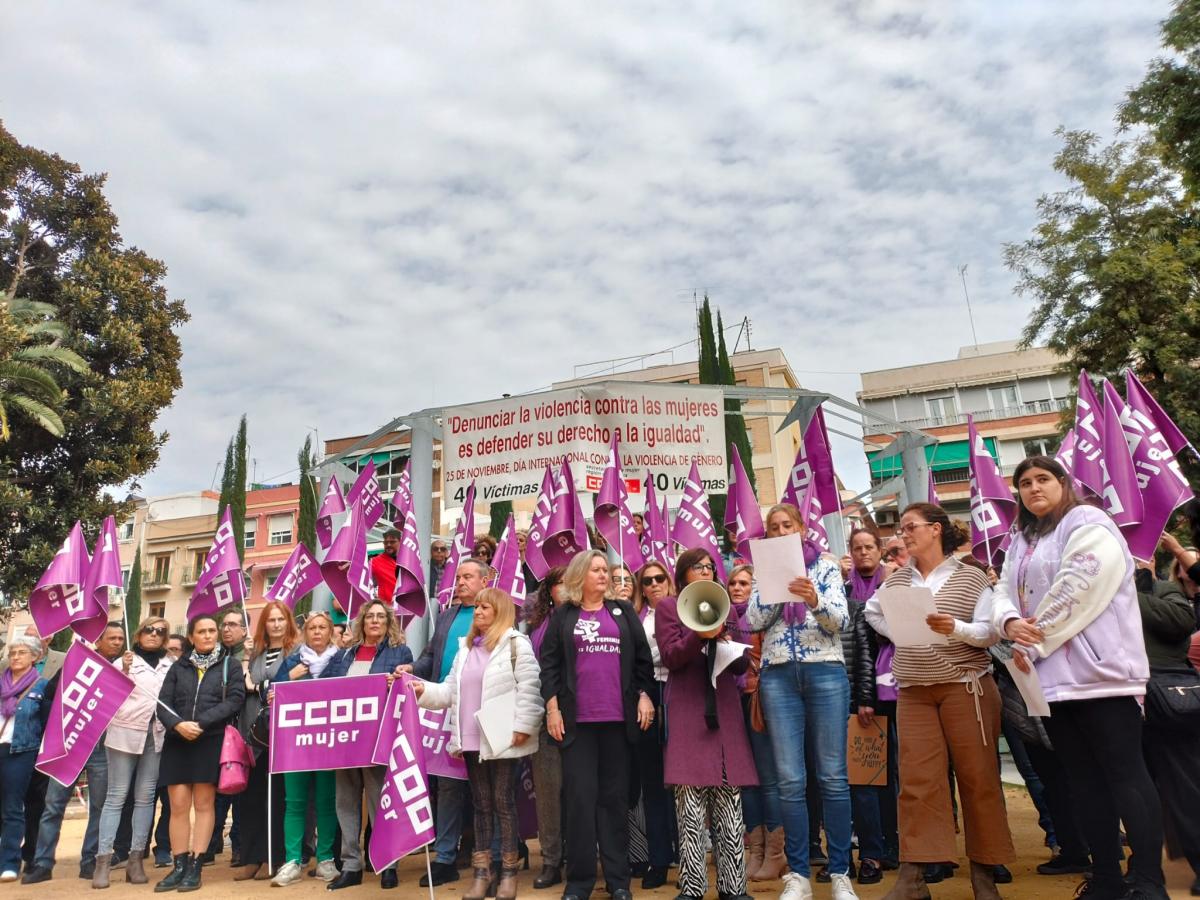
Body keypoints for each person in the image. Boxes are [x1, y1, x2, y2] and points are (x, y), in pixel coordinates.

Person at [992, 456, 1166, 900]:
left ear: (1063, 483)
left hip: (1103, 674)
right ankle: (1106, 878)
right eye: (1024, 483)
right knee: (1082, 781)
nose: (1033, 488)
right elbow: (1001, 591)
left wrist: (1033, 635)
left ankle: (1148, 881)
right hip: (1051, 681)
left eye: (1043, 479)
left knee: (1126, 776)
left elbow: (1081, 582)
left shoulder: (1088, 521)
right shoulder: (1019, 541)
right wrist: (1010, 621)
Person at [862, 503, 1012, 900]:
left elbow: (990, 632)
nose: (904, 533)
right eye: (902, 528)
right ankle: (913, 876)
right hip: (913, 690)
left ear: (936, 530)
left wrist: (955, 628)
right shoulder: (895, 582)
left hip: (966, 685)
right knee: (916, 782)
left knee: (978, 779)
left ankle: (983, 873)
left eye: (911, 527)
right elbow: (871, 612)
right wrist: (899, 633)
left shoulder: (971, 576)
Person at [743, 503, 857, 900]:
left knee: (832, 777)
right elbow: (752, 621)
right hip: (777, 676)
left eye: (786, 524)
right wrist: (776, 592)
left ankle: (840, 871)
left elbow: (841, 622)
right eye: (773, 527)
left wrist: (813, 600)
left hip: (824, 670)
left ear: (801, 528)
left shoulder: (825, 566)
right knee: (790, 780)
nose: (779, 530)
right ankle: (798, 875)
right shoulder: (762, 571)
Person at [540, 549, 655, 900]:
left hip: (618, 723)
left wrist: (646, 695)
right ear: (580, 576)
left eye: (606, 570)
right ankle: (579, 883)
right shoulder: (563, 616)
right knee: (579, 801)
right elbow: (550, 667)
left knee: (614, 802)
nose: (605, 575)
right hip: (578, 725)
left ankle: (619, 882)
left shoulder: (623, 613)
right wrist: (552, 707)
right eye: (597, 570)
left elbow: (642, 662)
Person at [415, 588, 542, 900]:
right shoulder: (466, 649)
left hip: (502, 735)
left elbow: (530, 688)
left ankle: (508, 873)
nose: (479, 612)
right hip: (470, 736)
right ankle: (482, 874)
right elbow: (448, 692)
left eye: (485, 607)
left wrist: (523, 727)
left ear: (499, 611)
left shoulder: (516, 644)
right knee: (481, 805)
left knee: (503, 802)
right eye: (478, 607)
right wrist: (422, 691)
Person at [657, 549, 756, 900]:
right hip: (687, 707)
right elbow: (671, 657)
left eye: (711, 567)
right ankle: (693, 886)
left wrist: (729, 643)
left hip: (723, 707)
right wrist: (700, 635)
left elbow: (743, 667)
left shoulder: (724, 604)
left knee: (729, 802)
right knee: (690, 806)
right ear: (683, 572)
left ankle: (734, 887)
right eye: (699, 566)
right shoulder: (669, 608)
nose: (706, 571)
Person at [321, 599, 414, 891]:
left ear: (388, 622)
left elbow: (409, 686)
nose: (374, 621)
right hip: (345, 742)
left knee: (380, 803)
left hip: (378, 741)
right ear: (361, 622)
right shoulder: (344, 654)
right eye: (369, 617)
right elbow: (322, 686)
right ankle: (351, 866)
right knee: (345, 803)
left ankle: (388, 863)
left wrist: (398, 680)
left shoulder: (400, 652)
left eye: (380, 617)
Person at [28, 622, 126, 883]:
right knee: (53, 806)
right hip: (69, 743)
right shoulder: (80, 662)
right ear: (99, 641)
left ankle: (89, 861)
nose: (117, 642)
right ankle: (42, 863)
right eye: (112, 638)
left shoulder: (124, 669)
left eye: (120, 638)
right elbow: (51, 693)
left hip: (103, 746)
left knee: (98, 807)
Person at [154, 614, 246, 892]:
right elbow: (162, 704)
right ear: (191, 637)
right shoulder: (178, 667)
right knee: (178, 806)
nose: (207, 635)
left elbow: (235, 699)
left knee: (205, 805)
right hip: (177, 740)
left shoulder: (230, 664)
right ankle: (178, 866)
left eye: (211, 631)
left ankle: (196, 866)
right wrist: (178, 725)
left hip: (210, 739)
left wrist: (202, 723)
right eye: (201, 631)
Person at [413, 558, 490, 887]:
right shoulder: (446, 617)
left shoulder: (494, 614)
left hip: (484, 712)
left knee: (487, 788)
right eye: (458, 577)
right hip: (443, 709)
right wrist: (411, 670)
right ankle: (445, 857)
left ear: (485, 581)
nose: (459, 582)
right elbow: (431, 656)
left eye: (468, 577)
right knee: (447, 787)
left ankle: (493, 856)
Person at [91, 617, 173, 889]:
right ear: (138, 635)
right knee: (116, 796)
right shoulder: (123, 661)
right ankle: (102, 861)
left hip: (156, 734)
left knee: (146, 797)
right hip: (124, 733)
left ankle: (136, 859)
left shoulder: (169, 664)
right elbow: (106, 693)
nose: (154, 634)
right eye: (149, 630)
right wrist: (123, 671)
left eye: (160, 632)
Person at [1136, 553, 1200, 896]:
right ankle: (1145, 873)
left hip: (1169, 702)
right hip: (1123, 703)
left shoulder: (1163, 590)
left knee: (1186, 789)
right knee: (1139, 793)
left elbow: (1181, 621)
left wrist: (1132, 594)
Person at [272, 612, 341, 887]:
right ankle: (292, 862)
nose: (316, 632)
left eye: (322, 627)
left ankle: (325, 860)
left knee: (326, 802)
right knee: (295, 803)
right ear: (305, 632)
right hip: (295, 743)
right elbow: (272, 692)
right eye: (312, 627)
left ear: (330, 631)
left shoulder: (341, 660)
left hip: (329, 742)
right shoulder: (292, 660)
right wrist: (289, 677)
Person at [844, 529, 895, 884]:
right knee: (856, 779)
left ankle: (885, 848)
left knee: (883, 777)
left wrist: (866, 697)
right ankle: (856, 851)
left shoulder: (892, 584)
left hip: (884, 692)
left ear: (879, 551)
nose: (863, 553)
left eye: (869, 547)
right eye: (857, 548)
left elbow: (866, 647)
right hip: (849, 693)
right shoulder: (843, 589)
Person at [730, 564, 785, 883]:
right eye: (733, 583)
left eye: (744, 583)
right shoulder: (723, 615)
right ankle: (757, 851)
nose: (737, 587)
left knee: (767, 777)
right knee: (746, 781)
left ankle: (776, 854)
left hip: (758, 699)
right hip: (731, 703)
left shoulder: (761, 615)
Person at [236, 601, 298, 880]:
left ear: (288, 622)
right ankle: (251, 858)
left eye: (280, 619)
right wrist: (249, 659)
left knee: (278, 800)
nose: (275, 624)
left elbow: (288, 684)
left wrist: (260, 686)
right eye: (270, 620)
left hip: (284, 736)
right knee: (252, 798)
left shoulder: (296, 651)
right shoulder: (257, 652)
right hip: (255, 736)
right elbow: (246, 685)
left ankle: (273, 856)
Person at [629, 560, 676, 890]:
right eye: (647, 581)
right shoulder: (634, 620)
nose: (655, 584)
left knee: (686, 784)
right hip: (647, 696)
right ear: (641, 588)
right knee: (655, 785)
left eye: (660, 578)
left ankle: (688, 861)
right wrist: (642, 693)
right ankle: (658, 860)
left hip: (681, 694)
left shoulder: (683, 608)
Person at [524, 567, 567, 890]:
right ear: (549, 590)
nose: (565, 589)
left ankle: (582, 856)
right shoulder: (535, 626)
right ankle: (551, 861)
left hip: (582, 717)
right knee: (548, 794)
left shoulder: (588, 617)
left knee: (581, 793)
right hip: (543, 716)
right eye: (559, 584)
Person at [0, 636, 52, 883]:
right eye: (13, 653)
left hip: (21, 751)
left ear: (35, 657)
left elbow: (45, 725)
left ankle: (9, 863)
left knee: (12, 806)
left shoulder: (42, 687)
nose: (16, 657)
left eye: (21, 652)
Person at [206, 609, 248, 867]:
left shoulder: (251, 655)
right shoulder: (215, 657)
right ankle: (210, 844)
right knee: (216, 792)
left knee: (240, 792)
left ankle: (239, 846)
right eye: (224, 624)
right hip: (217, 733)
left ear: (245, 630)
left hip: (243, 732)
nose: (226, 629)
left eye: (233, 625)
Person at [371, 529, 403, 602]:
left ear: (400, 542)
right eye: (386, 542)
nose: (388, 545)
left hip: (405, 607)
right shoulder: (375, 561)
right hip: (386, 609)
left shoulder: (407, 560)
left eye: (392, 542)